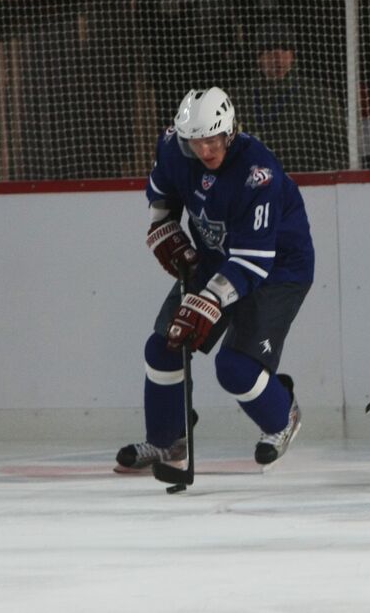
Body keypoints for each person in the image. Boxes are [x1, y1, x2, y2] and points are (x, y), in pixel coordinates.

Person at [116, 87, 315, 473]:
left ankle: (282, 417)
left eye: (213, 140)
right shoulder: (174, 146)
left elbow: (253, 260)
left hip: (276, 269)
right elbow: (162, 195)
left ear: (230, 132)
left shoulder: (259, 173)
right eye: (196, 143)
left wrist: (208, 300)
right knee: (164, 347)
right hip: (216, 259)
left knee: (235, 367)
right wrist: (163, 227)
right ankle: (168, 442)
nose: (205, 150)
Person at [232, 24, 347, 172]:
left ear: (292, 56)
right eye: (270, 51)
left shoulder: (315, 95)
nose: (278, 58)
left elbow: (341, 148)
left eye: (285, 50)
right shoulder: (238, 98)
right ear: (258, 57)